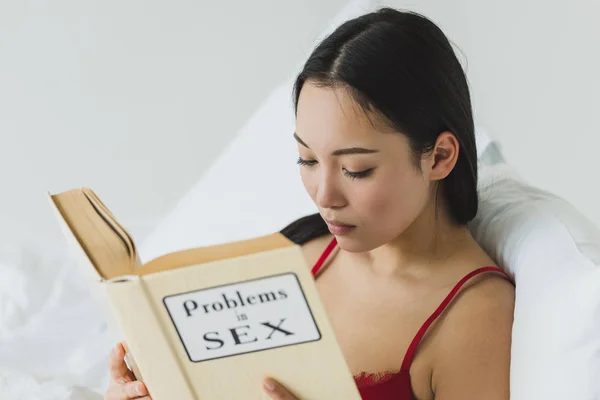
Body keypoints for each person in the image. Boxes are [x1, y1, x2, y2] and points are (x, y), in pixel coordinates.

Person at [105, 7, 515, 400]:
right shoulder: (299, 251)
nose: (324, 196)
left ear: (440, 157)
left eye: (355, 169)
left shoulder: (475, 317)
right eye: (308, 160)